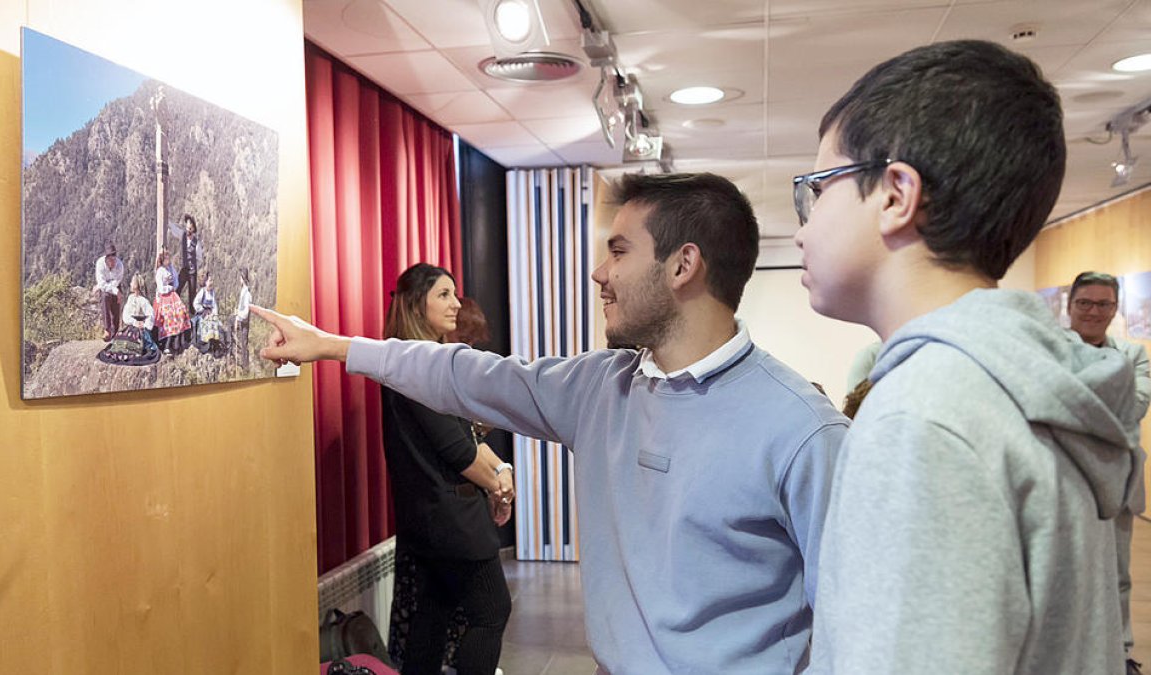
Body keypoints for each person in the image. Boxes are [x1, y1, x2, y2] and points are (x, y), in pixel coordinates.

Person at [252, 172, 848, 673]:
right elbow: (463, 375)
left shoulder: (803, 432)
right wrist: (333, 346)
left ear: (682, 265)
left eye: (618, 251)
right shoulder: (600, 387)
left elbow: (856, 627)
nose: (598, 272)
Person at [792, 40, 1142, 673]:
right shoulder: (1017, 384)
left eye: (818, 189)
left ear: (896, 193)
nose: (803, 227)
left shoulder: (924, 417)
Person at [363, 263, 514, 675]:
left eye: (455, 293)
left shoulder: (411, 361)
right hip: (451, 522)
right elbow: (459, 452)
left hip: (430, 517)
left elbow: (460, 440)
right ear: (416, 304)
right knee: (491, 612)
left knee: (432, 614)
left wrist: (500, 469)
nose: (456, 304)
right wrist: (498, 482)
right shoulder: (417, 364)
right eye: (444, 295)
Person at [1067, 271, 1151, 675]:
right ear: (1069, 306)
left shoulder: (1134, 355)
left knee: (1117, 572)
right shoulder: (1049, 350)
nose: (1093, 312)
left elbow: (1134, 406)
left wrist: (1074, 401)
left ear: (1115, 308)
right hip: (1062, 478)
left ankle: (1120, 653)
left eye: (1103, 304)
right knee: (1062, 567)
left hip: (1118, 480)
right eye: (1085, 303)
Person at [97, 273, 159, 366]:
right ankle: (126, 349)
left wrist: (145, 325)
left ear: (136, 286)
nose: (130, 284)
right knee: (123, 336)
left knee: (136, 337)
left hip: (140, 329)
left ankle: (134, 349)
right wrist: (134, 322)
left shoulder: (143, 300)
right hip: (132, 325)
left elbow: (151, 314)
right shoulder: (130, 298)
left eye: (132, 282)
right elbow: (125, 315)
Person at [153, 249, 190, 357]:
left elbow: (176, 281)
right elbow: (160, 288)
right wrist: (169, 287)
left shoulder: (171, 268)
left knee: (181, 311)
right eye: (166, 259)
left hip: (172, 295)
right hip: (164, 296)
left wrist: (174, 285)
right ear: (162, 260)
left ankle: (180, 341)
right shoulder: (160, 271)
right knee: (169, 315)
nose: (168, 261)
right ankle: (167, 344)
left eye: (169, 258)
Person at [93, 241, 124, 341]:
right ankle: (107, 329)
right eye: (110, 260)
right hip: (106, 288)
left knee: (116, 309)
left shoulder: (119, 265)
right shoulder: (100, 264)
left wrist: (115, 290)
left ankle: (115, 333)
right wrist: (115, 291)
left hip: (115, 286)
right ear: (106, 258)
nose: (113, 262)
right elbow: (102, 284)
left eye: (114, 259)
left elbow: (117, 281)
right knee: (105, 297)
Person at [192, 271, 223, 355]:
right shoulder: (202, 292)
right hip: (202, 313)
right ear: (205, 282)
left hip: (210, 312)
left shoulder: (212, 292)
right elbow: (195, 303)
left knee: (216, 323)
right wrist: (202, 310)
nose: (211, 283)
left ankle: (214, 345)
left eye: (212, 281)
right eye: (209, 281)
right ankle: (205, 345)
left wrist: (215, 313)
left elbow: (214, 304)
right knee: (207, 323)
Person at [179, 214, 203, 310]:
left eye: (189, 228)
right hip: (185, 269)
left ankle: (192, 317)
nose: (187, 229)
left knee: (192, 295)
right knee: (177, 289)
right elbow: (174, 230)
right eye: (187, 226)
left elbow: (200, 258)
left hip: (192, 272)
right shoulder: (183, 235)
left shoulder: (196, 243)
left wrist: (194, 265)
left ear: (193, 229)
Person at [234, 268, 252, 368]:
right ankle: (245, 364)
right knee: (244, 342)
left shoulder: (246, 294)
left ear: (242, 278)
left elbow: (245, 313)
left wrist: (238, 316)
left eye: (240, 278)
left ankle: (245, 366)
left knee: (244, 342)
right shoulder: (245, 291)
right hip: (243, 320)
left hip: (244, 321)